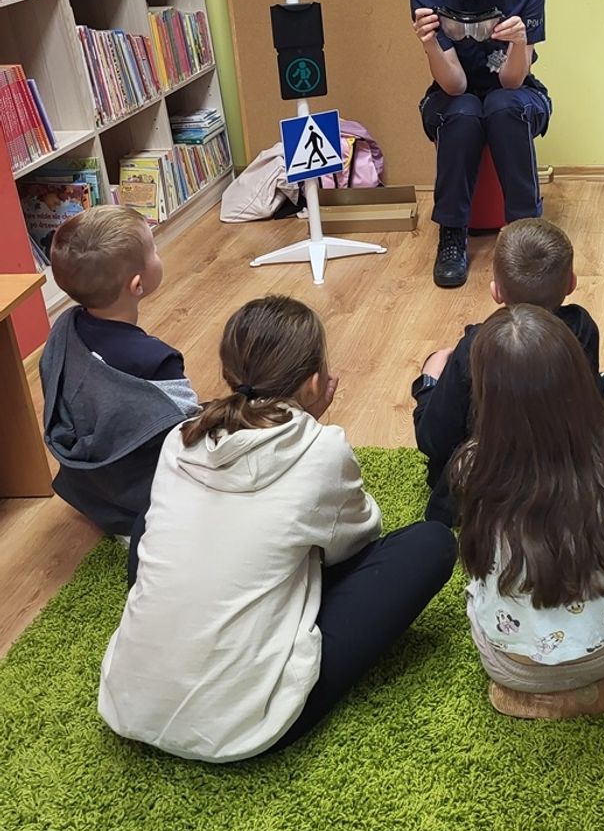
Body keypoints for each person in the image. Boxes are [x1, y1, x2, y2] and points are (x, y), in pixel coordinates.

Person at [98, 296, 457, 762]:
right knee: (429, 544)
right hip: (246, 726)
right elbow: (360, 541)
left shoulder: (179, 438)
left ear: (230, 371)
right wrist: (311, 430)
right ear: (315, 382)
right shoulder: (321, 450)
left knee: (153, 516)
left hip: (129, 702)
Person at [453, 304, 604, 718]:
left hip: (511, 664)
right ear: (579, 380)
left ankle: (531, 694)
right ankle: (589, 688)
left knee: (477, 595)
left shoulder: (472, 468)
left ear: (485, 395)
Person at [412, 218, 603, 527]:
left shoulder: (476, 348)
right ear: (571, 283)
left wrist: (428, 383)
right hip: (566, 476)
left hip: (489, 493)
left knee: (437, 369)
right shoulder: (581, 329)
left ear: (496, 291)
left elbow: (433, 440)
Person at [411, 0, 552, 289]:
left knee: (503, 106)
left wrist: (520, 40)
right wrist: (428, 44)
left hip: (517, 90)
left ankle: (526, 231)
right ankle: (452, 234)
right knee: (463, 112)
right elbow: (454, 85)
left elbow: (512, 81)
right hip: (454, 95)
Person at [39, 206, 197, 539]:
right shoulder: (155, 361)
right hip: (145, 490)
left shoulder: (63, 331)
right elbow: (187, 430)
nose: (157, 253)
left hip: (90, 483)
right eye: (153, 249)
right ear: (137, 285)